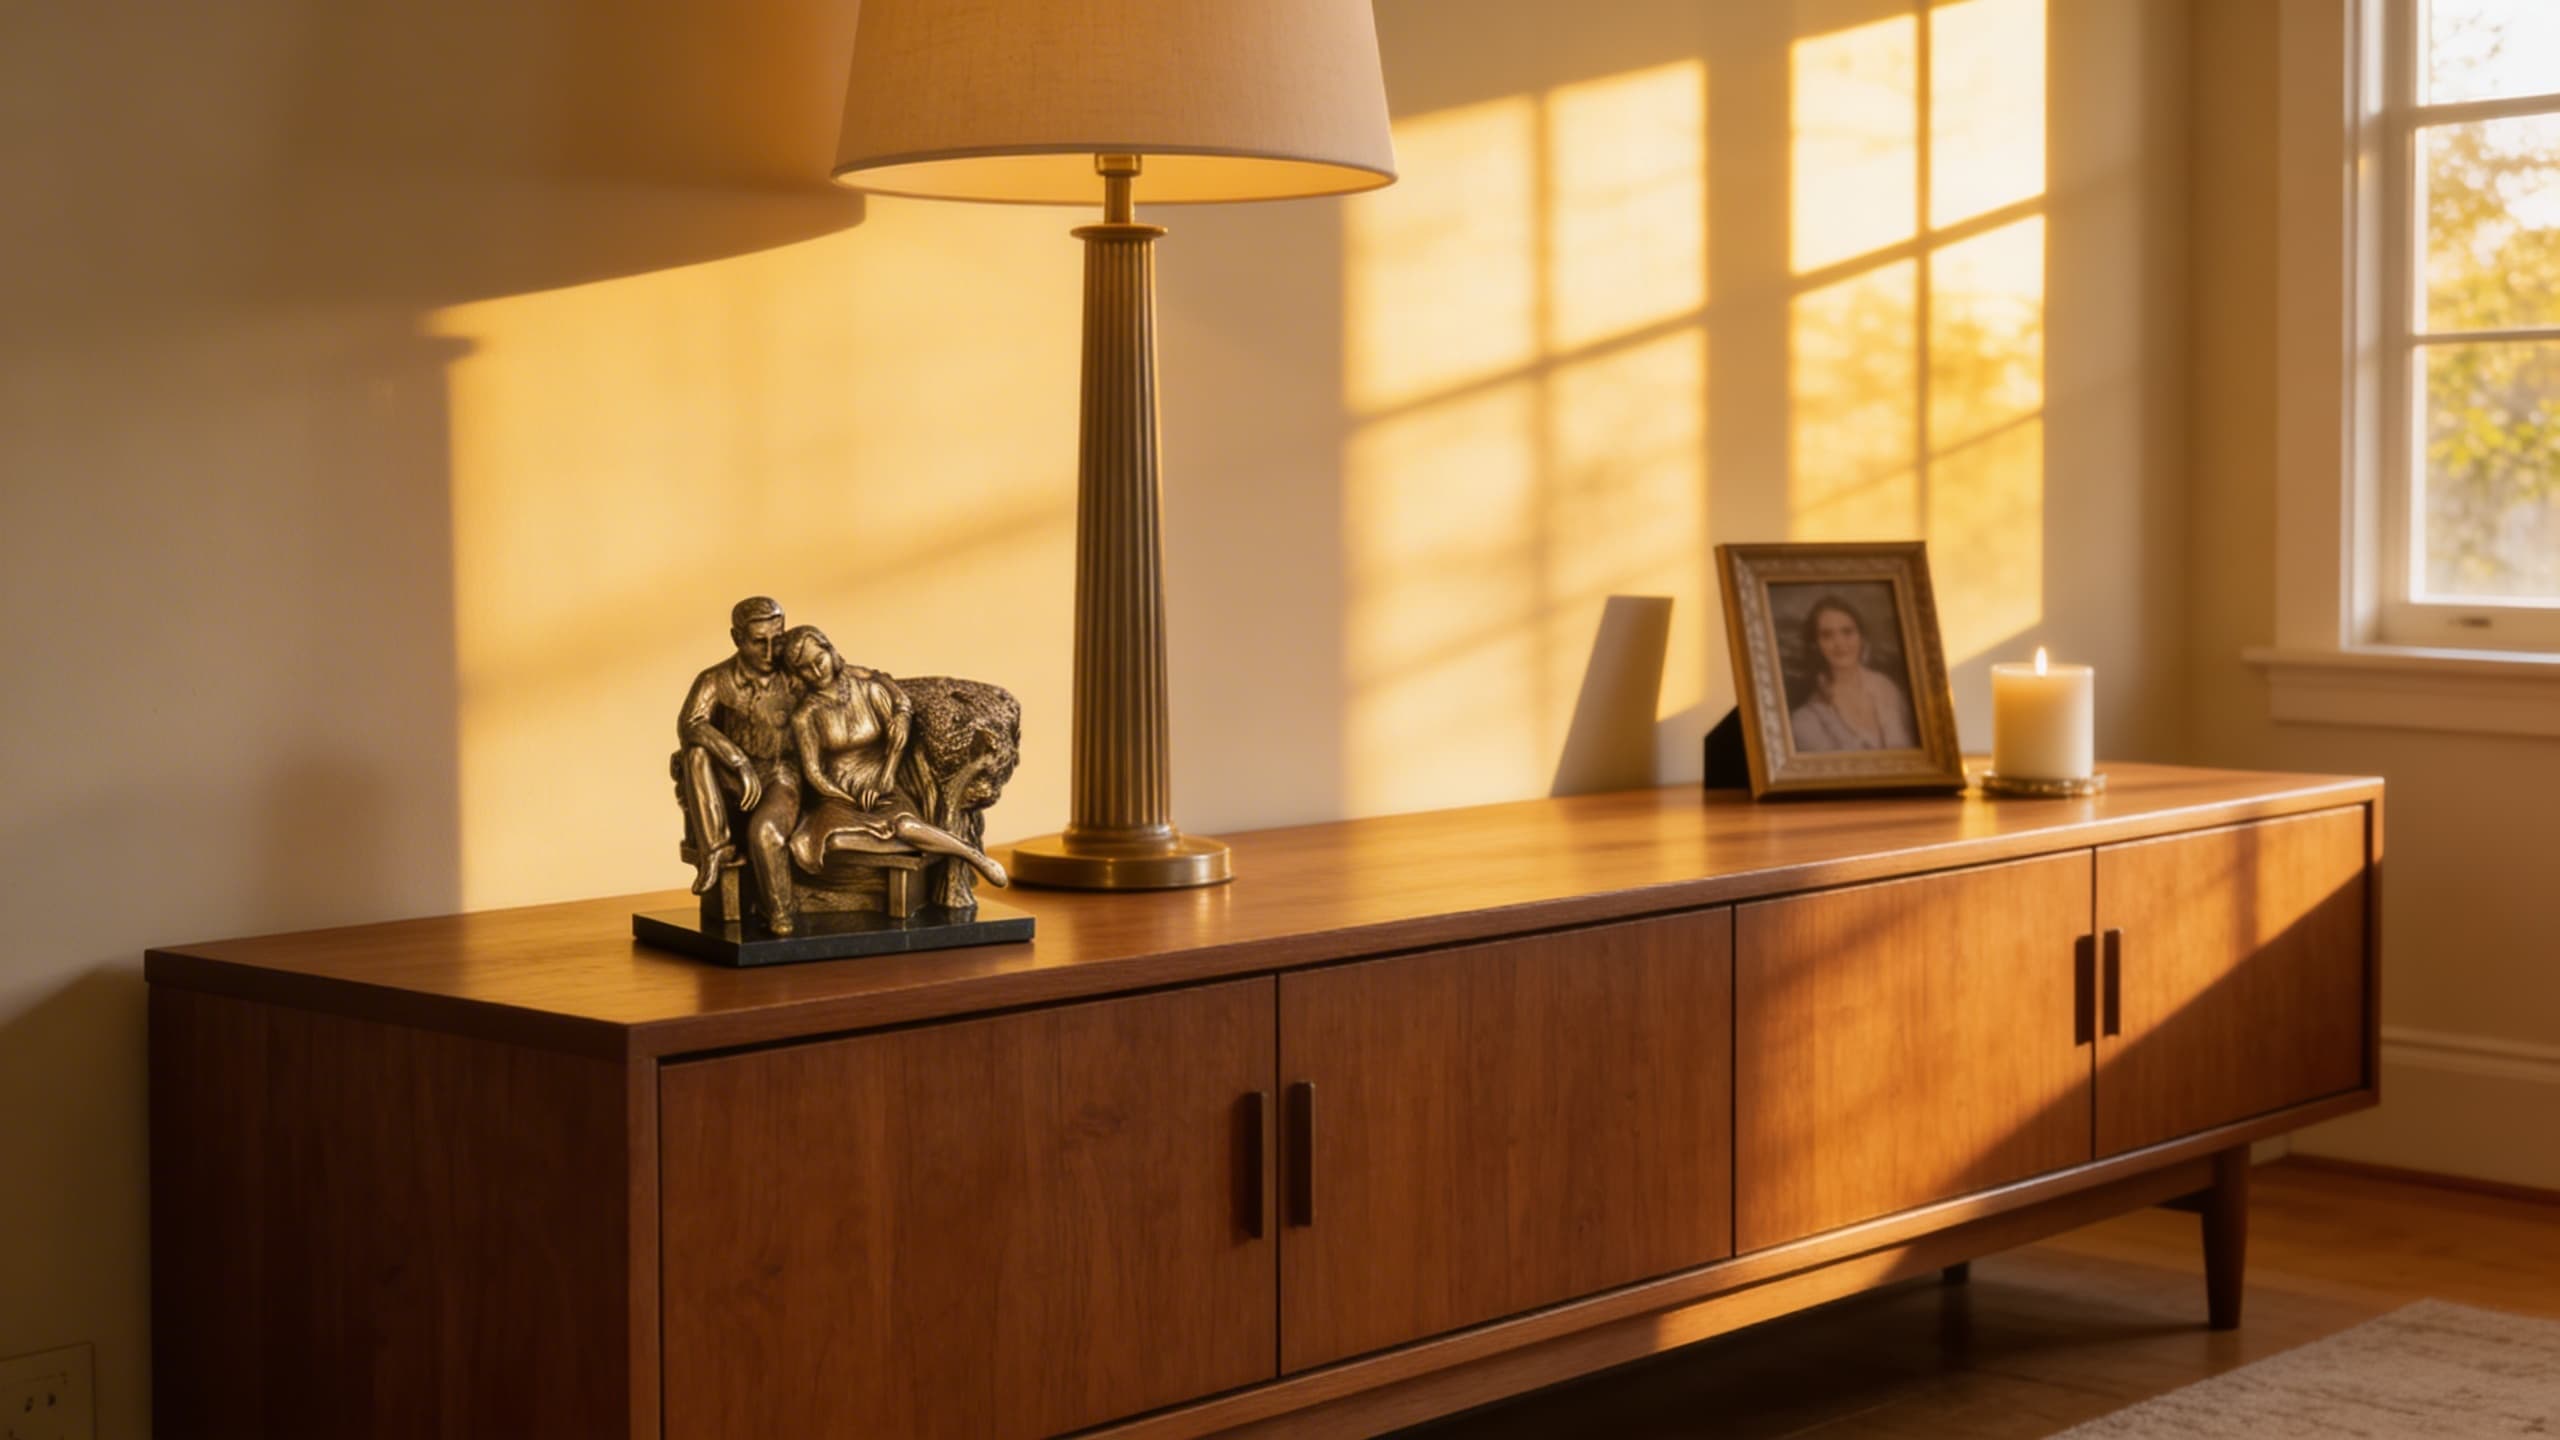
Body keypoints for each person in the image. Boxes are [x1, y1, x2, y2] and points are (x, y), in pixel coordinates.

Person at [781, 627, 1010, 891]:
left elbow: (895, 743)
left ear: (830, 652)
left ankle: (971, 856)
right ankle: (932, 844)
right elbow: (814, 773)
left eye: (818, 661)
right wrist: (847, 798)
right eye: (805, 668)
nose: (817, 672)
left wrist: (885, 778)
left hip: (881, 786)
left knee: (905, 825)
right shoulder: (805, 715)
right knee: (831, 842)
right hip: (838, 798)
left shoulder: (868, 691)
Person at [674, 596, 805, 930]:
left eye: (778, 640)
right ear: (737, 639)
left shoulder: (796, 676)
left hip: (780, 776)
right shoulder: (715, 679)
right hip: (731, 778)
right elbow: (690, 723)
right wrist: (739, 763)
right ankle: (715, 850)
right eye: (759, 642)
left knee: (765, 832)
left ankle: (780, 914)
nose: (769, 651)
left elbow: (844, 685)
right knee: (696, 752)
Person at [1786, 594, 1918, 752]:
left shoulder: (1886, 688)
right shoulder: (1806, 719)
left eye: (1847, 632)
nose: (1840, 643)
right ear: (1815, 645)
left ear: (1861, 637)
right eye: (1827, 635)